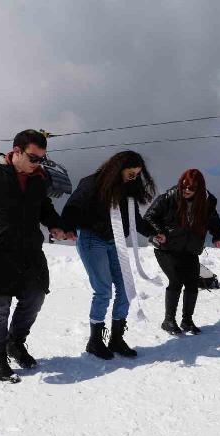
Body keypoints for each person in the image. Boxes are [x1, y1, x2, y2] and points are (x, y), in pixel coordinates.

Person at [0, 129, 73, 383]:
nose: (38, 163)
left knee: (35, 298)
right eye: (33, 158)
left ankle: (15, 343)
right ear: (16, 151)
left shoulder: (38, 180)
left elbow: (44, 208)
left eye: (42, 158)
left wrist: (56, 225)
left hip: (30, 252)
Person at [61, 150, 157, 359]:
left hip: (116, 242)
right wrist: (66, 228)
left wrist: (154, 233)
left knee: (125, 288)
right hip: (92, 240)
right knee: (103, 290)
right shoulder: (91, 183)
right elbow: (72, 208)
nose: (134, 178)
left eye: (137, 174)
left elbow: (135, 219)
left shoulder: (128, 191)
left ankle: (116, 339)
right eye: (131, 173)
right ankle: (95, 341)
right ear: (118, 169)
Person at [143, 168, 220, 335]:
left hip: (190, 249)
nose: (186, 190)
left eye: (191, 188)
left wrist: (218, 237)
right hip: (166, 247)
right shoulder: (168, 197)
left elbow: (214, 222)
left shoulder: (206, 202)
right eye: (184, 186)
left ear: (199, 189)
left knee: (192, 283)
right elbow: (149, 217)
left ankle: (187, 321)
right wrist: (159, 232)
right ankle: (168, 321)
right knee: (176, 280)